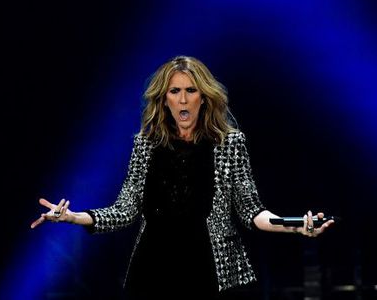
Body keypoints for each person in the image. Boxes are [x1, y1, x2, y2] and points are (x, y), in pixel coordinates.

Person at [30, 55, 334, 299]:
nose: (183, 100)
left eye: (191, 91)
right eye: (175, 92)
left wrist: (293, 225)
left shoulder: (229, 144)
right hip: (152, 272)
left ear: (204, 98)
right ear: (164, 100)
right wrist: (74, 217)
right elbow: (125, 209)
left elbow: (250, 210)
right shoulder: (146, 145)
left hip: (210, 272)